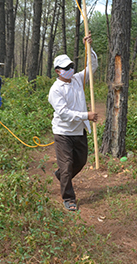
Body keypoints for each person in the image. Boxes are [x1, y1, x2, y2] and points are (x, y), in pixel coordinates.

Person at [48, 34, 98, 211]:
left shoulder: (77, 79)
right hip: (63, 132)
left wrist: (88, 48)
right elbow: (64, 113)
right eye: (65, 68)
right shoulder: (55, 90)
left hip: (79, 131)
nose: (69, 69)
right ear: (57, 71)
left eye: (71, 66)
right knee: (67, 164)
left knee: (81, 161)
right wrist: (86, 115)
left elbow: (93, 66)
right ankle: (69, 198)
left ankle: (61, 175)